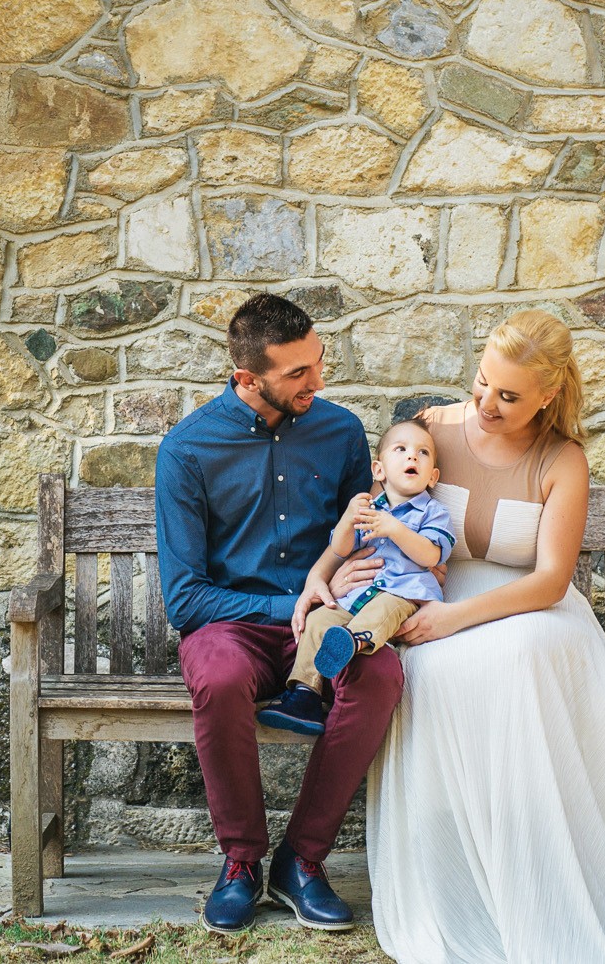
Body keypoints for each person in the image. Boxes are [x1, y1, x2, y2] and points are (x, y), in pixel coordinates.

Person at [348, 310, 605, 964]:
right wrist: (356, 578)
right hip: (438, 596)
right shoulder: (430, 432)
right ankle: (459, 884)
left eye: (509, 396)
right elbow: (380, 520)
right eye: (482, 383)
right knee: (431, 673)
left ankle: (538, 879)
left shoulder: (562, 459)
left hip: (532, 609)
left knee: (518, 657)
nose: (487, 403)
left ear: (548, 395)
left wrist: (457, 618)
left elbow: (550, 580)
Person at [154, 293, 394, 936]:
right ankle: (240, 861)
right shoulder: (187, 450)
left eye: (318, 361)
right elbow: (185, 598)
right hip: (230, 626)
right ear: (247, 378)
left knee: (381, 676)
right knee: (218, 678)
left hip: (326, 622)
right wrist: (293, 601)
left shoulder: (341, 432)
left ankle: (302, 860)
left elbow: (362, 539)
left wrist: (356, 576)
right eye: (298, 373)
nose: (318, 381)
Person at [257, 420, 453, 737]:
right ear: (379, 470)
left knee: (384, 608)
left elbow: (431, 555)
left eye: (423, 453)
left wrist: (395, 529)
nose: (412, 457)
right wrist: (349, 520)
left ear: (432, 476)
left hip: (403, 594)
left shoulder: (432, 512)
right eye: (401, 449)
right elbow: (341, 548)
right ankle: (305, 694)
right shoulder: (368, 509)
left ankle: (356, 640)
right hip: (358, 594)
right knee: (320, 619)